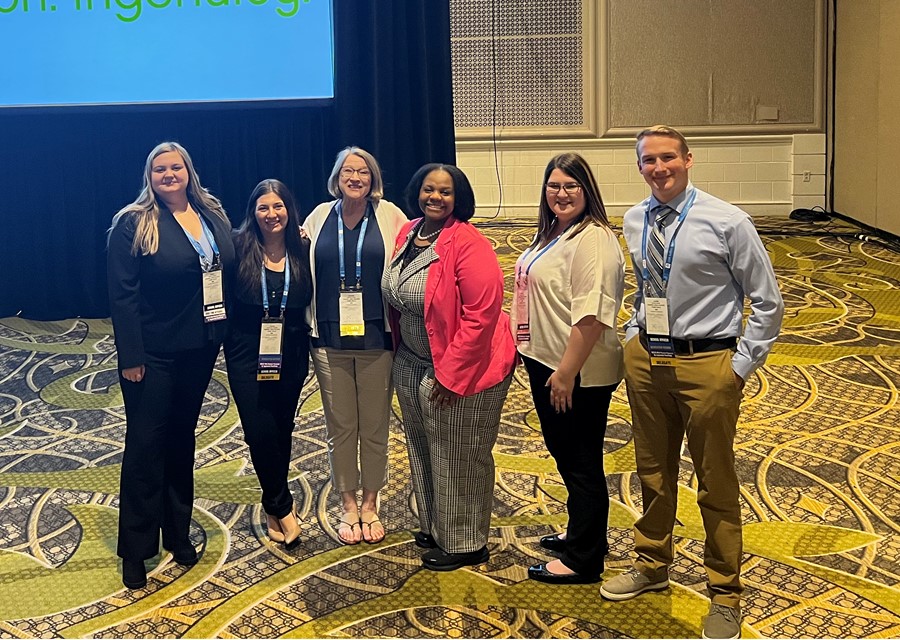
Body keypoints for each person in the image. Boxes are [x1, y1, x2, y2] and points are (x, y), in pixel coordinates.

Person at [600, 125, 784, 640]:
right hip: (647, 361)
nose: (659, 169)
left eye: (667, 158)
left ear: (688, 159)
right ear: (638, 166)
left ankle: (725, 593)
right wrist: (634, 335)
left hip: (709, 366)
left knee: (715, 482)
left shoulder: (728, 221)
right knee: (652, 471)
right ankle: (652, 566)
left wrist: (740, 367)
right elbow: (646, 287)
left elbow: (768, 303)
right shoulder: (635, 219)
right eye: (648, 161)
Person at [108, 141, 235, 589]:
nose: (168, 174)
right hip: (152, 356)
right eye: (159, 168)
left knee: (182, 441)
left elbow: (231, 261)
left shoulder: (211, 214)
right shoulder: (133, 223)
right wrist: (132, 357)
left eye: (175, 167)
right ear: (150, 175)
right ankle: (137, 549)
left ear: (188, 170)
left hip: (200, 349)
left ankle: (177, 533)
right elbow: (122, 296)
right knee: (145, 448)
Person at [382, 163, 517, 571]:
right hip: (414, 360)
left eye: (445, 192)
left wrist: (451, 375)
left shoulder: (469, 243)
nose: (435, 198)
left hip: (465, 368)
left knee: (459, 453)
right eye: (428, 190)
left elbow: (481, 316)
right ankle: (436, 525)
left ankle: (465, 542)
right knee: (424, 447)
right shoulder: (409, 232)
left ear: (458, 198)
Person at [511, 153, 624, 585]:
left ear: (587, 190)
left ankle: (584, 558)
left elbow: (592, 316)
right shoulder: (558, 232)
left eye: (571, 186)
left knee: (580, 461)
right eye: (554, 185)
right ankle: (583, 533)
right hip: (550, 361)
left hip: (575, 371)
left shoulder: (593, 239)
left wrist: (565, 373)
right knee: (566, 454)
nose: (561, 194)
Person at [303, 147, 408, 544]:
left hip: (375, 336)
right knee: (341, 424)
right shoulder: (317, 215)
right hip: (327, 336)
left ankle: (370, 502)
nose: (355, 177)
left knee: (375, 424)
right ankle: (347, 502)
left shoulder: (389, 215)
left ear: (373, 178)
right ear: (337, 176)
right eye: (348, 170)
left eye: (363, 171)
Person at [224, 179, 312, 550]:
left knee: (281, 427)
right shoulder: (237, 246)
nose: (271, 214)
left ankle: (272, 497)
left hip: (291, 348)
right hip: (246, 349)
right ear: (253, 212)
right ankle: (281, 503)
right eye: (263, 208)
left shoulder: (303, 247)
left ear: (289, 210)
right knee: (258, 429)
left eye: (278, 206)